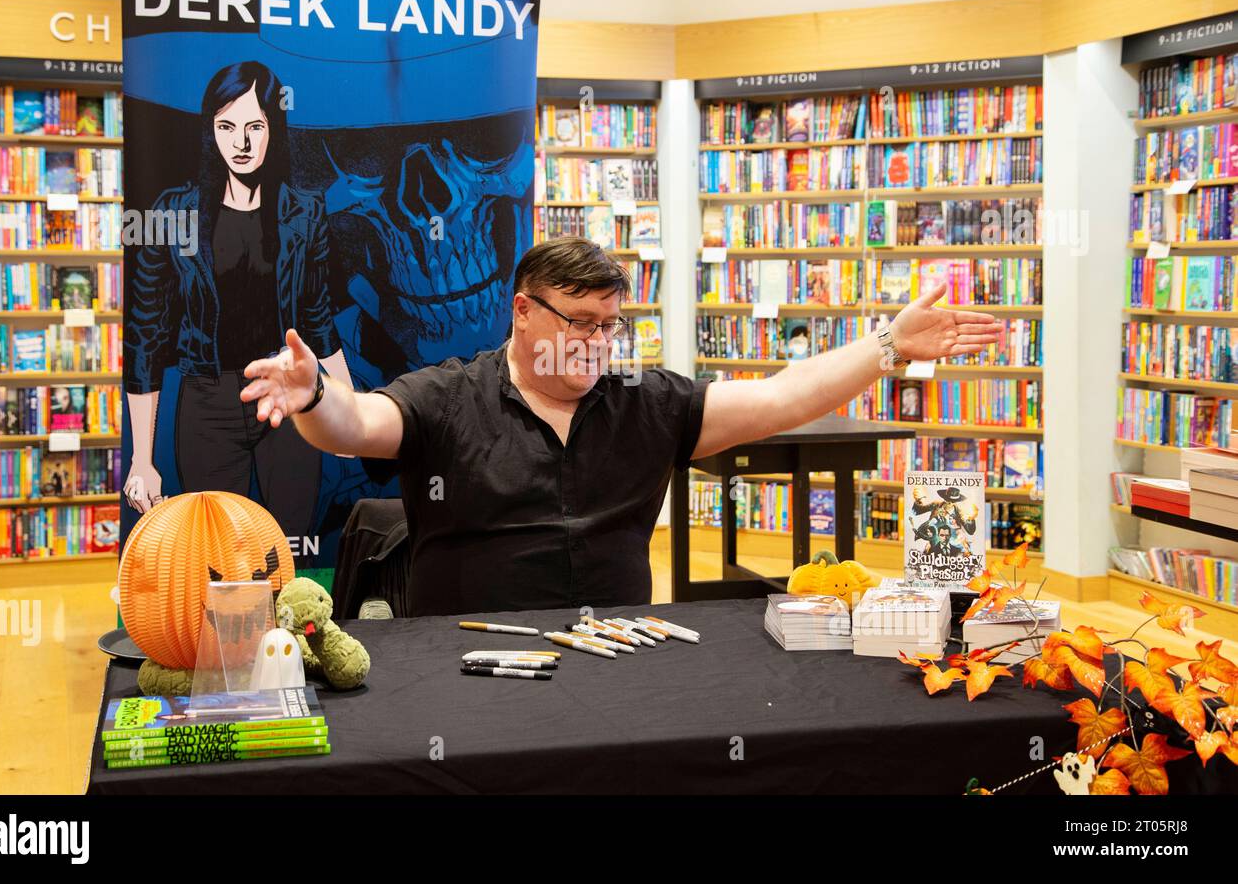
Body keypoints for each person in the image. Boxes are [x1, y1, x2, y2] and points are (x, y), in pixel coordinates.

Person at [239, 236, 1003, 615]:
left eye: (610, 325)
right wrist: (312, 398)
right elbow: (357, 424)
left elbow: (779, 399)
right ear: (523, 313)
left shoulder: (645, 399)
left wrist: (888, 347)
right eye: (579, 321)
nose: (597, 343)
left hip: (621, 654)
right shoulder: (449, 396)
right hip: (467, 663)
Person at [123, 60, 354, 545]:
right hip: (205, 404)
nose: (242, 143)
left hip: (287, 400)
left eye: (255, 126)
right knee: (215, 555)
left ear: (274, 128)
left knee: (292, 550)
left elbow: (318, 320)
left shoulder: (305, 212)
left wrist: (351, 413)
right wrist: (142, 459)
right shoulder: (175, 212)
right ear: (211, 129)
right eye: (227, 126)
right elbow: (145, 334)